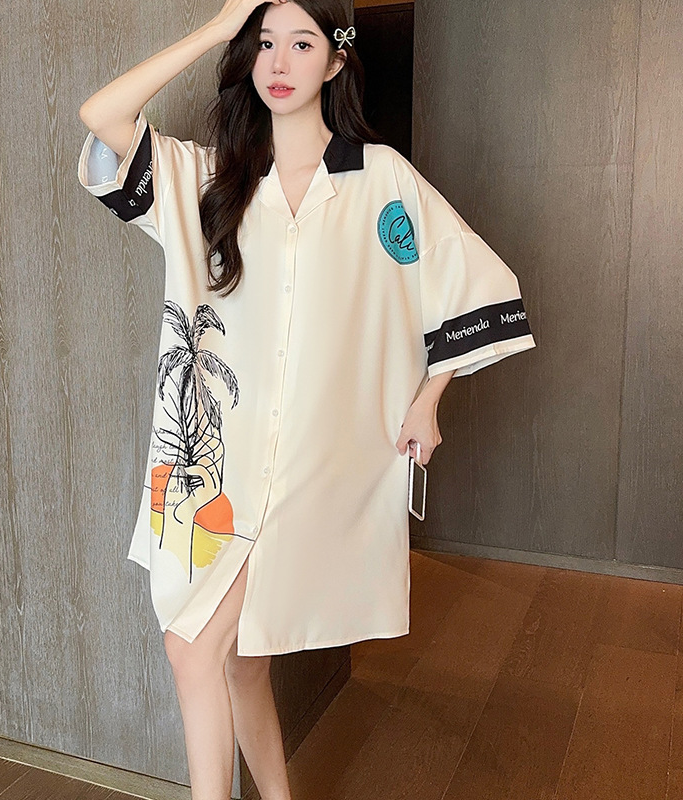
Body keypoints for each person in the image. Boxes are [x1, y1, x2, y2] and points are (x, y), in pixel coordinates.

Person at [77, 1, 535, 797]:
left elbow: (474, 282)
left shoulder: (380, 181)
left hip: (319, 465)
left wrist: (429, 398)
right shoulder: (208, 179)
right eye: (263, 44)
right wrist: (216, 28)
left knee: (196, 649)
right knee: (235, 662)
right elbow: (102, 116)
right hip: (214, 469)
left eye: (302, 43)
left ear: (336, 60)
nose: (280, 63)